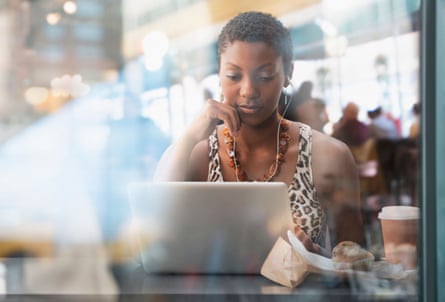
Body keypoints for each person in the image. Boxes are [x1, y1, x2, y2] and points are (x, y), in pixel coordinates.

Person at [154, 11, 364, 256]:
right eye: (233, 76)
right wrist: (189, 136)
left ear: (288, 73)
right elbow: (155, 234)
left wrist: (315, 258)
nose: (248, 90)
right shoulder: (200, 154)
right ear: (219, 75)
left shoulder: (329, 155)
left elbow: (357, 264)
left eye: (264, 76)